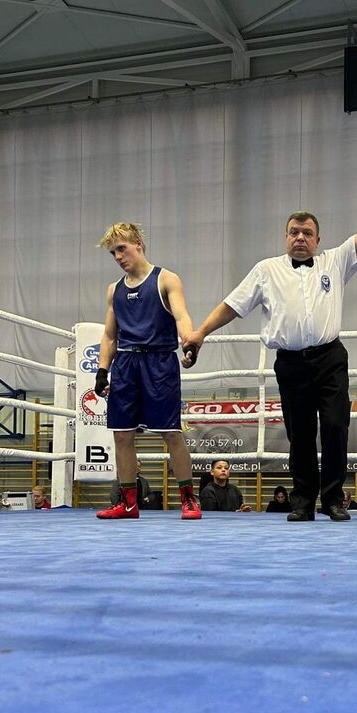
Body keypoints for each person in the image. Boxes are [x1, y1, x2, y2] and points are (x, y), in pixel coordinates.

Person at [183, 169, 357, 523]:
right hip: (291, 363)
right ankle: (303, 501)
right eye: (294, 232)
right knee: (299, 433)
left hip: (330, 358)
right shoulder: (266, 270)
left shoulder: (334, 261)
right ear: (286, 237)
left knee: (336, 426)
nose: (300, 238)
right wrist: (200, 333)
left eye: (307, 233)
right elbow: (232, 305)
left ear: (318, 239)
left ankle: (333, 499)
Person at [92, 222, 201, 520]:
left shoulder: (166, 279)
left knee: (171, 432)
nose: (118, 257)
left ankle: (189, 500)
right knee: (122, 435)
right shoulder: (114, 290)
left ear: (138, 244)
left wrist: (189, 343)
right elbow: (110, 335)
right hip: (126, 364)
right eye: (113, 253)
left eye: (122, 249)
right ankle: (128, 503)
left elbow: (181, 316)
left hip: (160, 362)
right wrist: (102, 371)